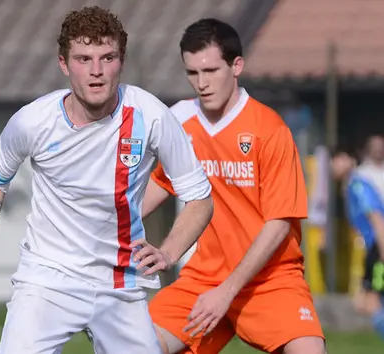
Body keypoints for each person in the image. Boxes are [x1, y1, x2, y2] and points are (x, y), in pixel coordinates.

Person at [0, 6, 214, 354]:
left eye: (107, 57)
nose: (96, 71)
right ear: (64, 64)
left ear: (121, 61)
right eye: (83, 58)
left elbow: (199, 197)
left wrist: (168, 252)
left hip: (119, 283)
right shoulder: (32, 122)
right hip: (47, 279)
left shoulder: (151, 116)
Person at [142, 18, 326, 353]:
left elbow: (279, 223)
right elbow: (157, 185)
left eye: (211, 71)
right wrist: (104, 224)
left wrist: (227, 292)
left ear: (236, 65)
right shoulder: (180, 120)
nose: (202, 83)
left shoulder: (268, 129)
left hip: (272, 280)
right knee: (133, 346)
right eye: (193, 73)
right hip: (203, 278)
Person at [332, 145, 384, 340]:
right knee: (364, 302)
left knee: (368, 302)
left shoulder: (358, 185)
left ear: (347, 159)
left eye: (336, 159)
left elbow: (377, 218)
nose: (332, 165)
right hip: (374, 248)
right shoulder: (350, 186)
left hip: (378, 248)